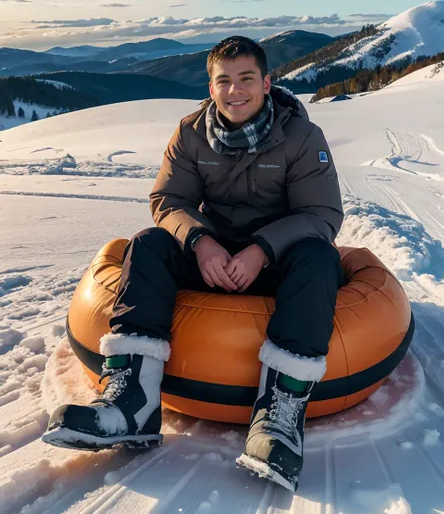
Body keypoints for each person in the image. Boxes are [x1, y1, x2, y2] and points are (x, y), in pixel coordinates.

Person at [43, 36, 345, 492]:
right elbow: (169, 199)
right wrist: (201, 242)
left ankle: (278, 421)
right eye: (223, 81)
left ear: (266, 83)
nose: (235, 90)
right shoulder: (190, 132)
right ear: (210, 87)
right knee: (146, 244)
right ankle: (132, 405)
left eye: (246, 79)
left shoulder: (302, 137)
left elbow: (321, 215)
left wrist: (261, 249)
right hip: (212, 254)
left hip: (276, 261)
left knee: (319, 257)